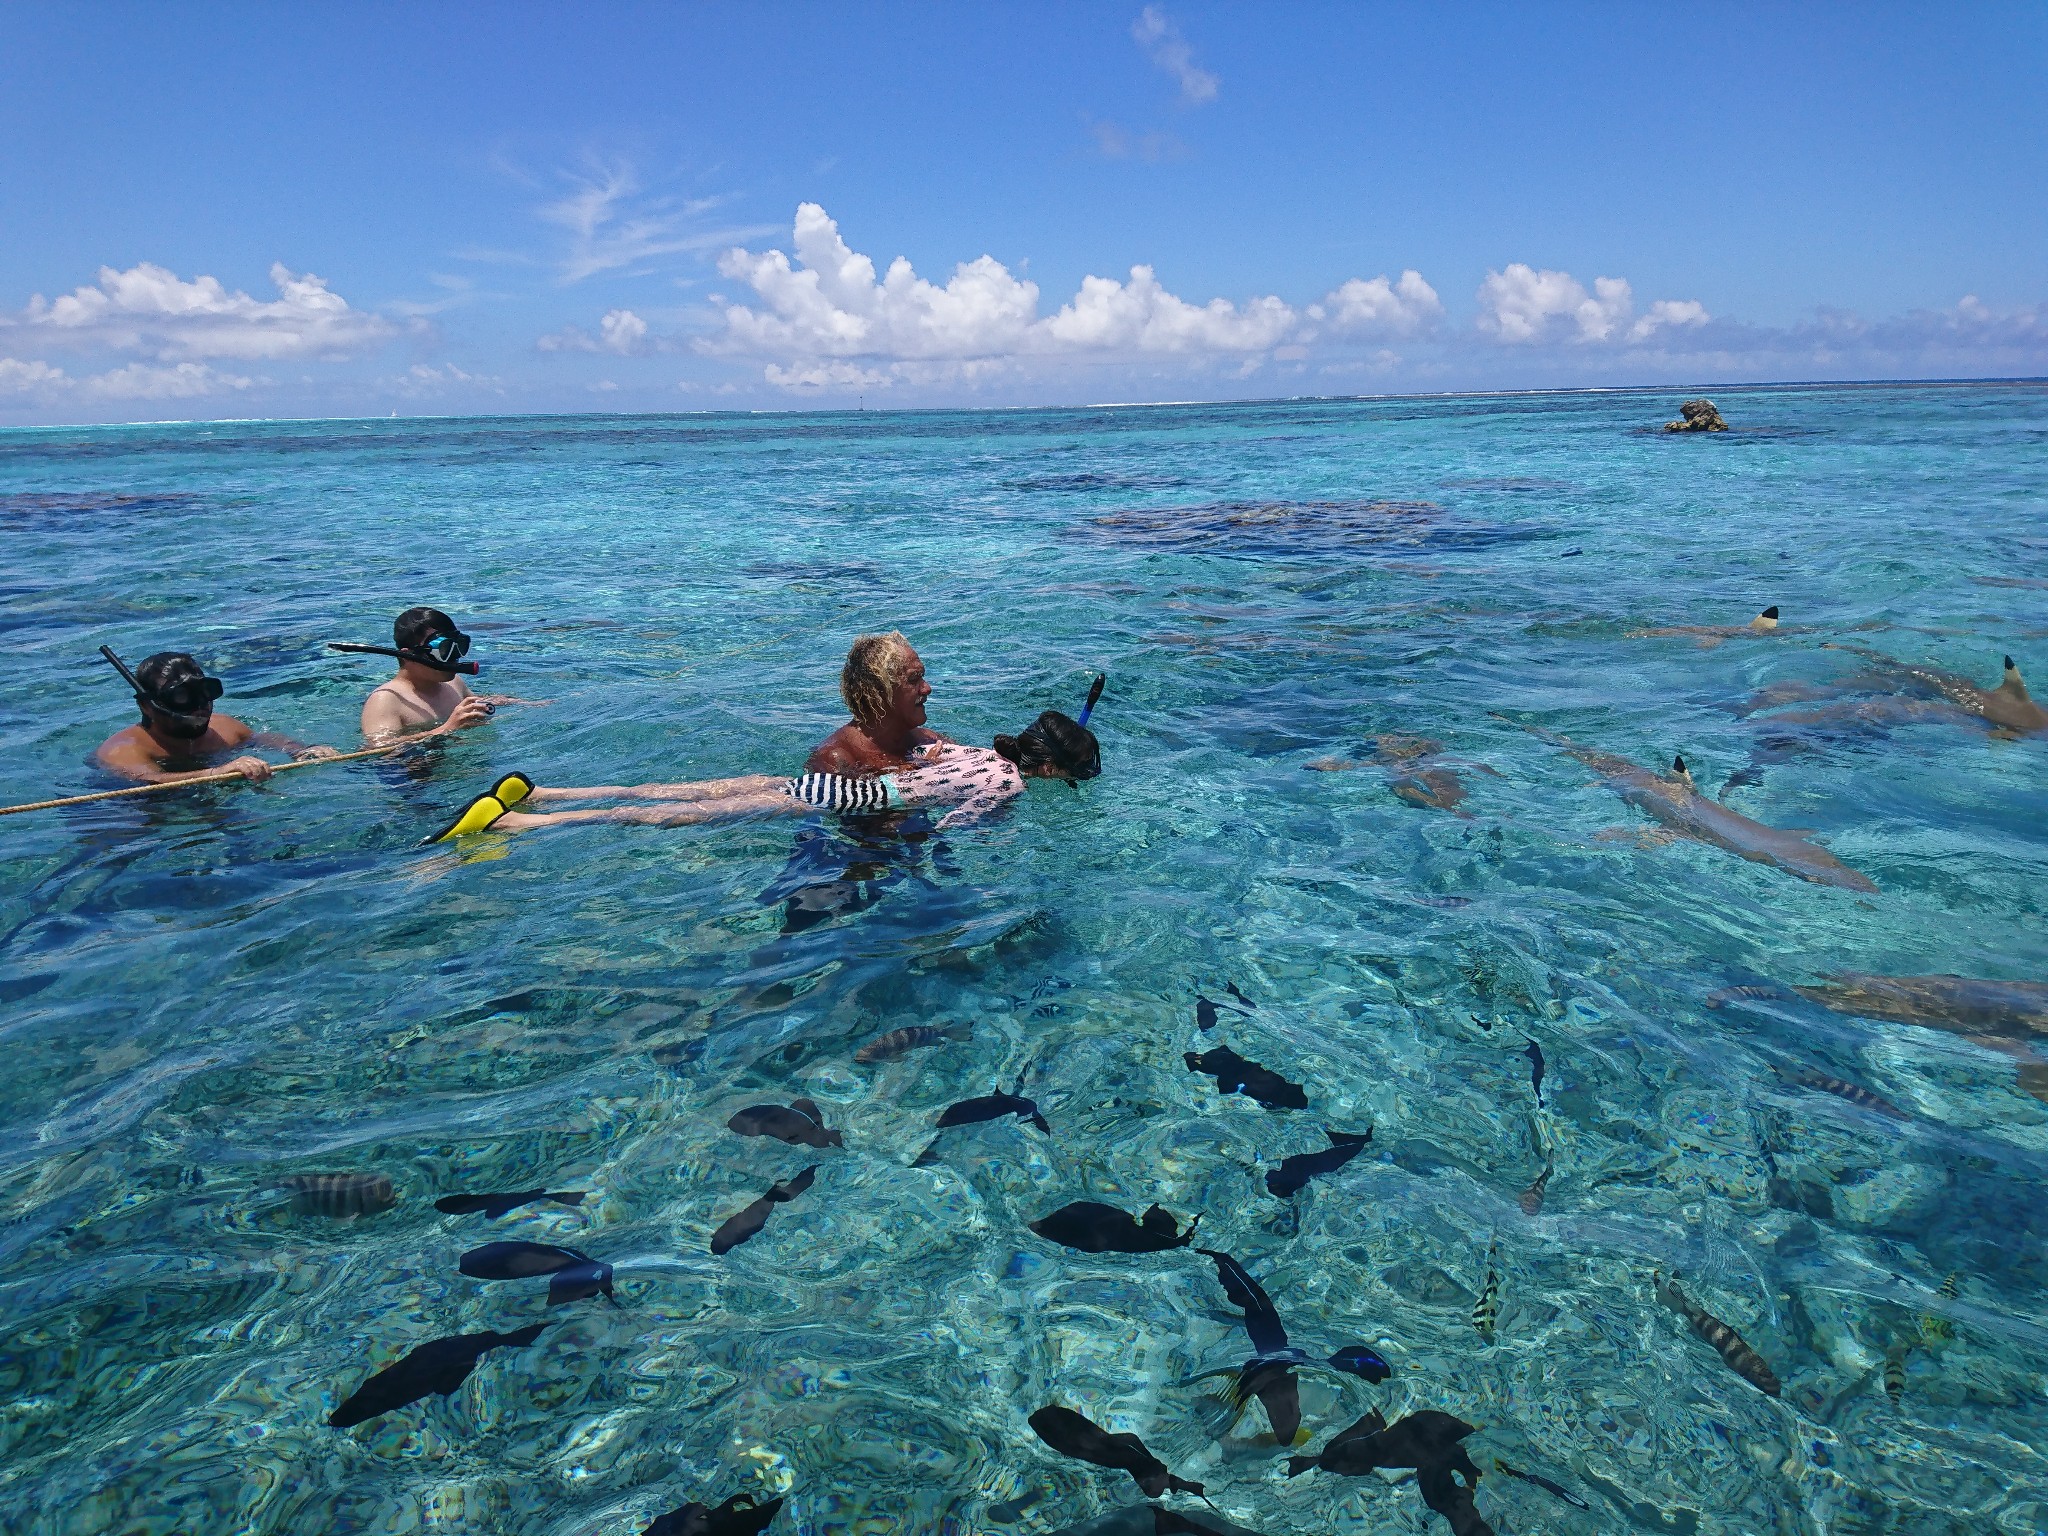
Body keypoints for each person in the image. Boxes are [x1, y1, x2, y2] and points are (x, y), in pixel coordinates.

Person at [426, 709, 1102, 841]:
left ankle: (553, 791)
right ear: (1046, 769)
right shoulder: (1009, 783)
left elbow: (927, 757)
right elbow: (956, 823)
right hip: (851, 802)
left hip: (842, 787)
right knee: (694, 816)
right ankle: (533, 820)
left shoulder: (977, 752)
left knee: (698, 792)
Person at [95, 651, 341, 784]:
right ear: (147, 707)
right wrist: (216, 773)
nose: (199, 707)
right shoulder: (123, 749)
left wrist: (301, 749)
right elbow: (149, 779)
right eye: (182, 697)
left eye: (205, 693)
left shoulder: (224, 727)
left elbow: (262, 738)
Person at [359, 606, 523, 741]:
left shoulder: (454, 683)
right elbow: (377, 749)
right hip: (417, 776)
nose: (455, 657)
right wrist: (445, 728)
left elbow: (477, 703)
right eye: (444, 649)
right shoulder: (386, 699)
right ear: (408, 656)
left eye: (459, 646)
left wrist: (517, 703)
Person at [804, 632, 943, 775]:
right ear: (878, 690)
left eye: (922, 677)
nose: (927, 689)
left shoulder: (928, 740)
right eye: (913, 680)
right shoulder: (836, 758)